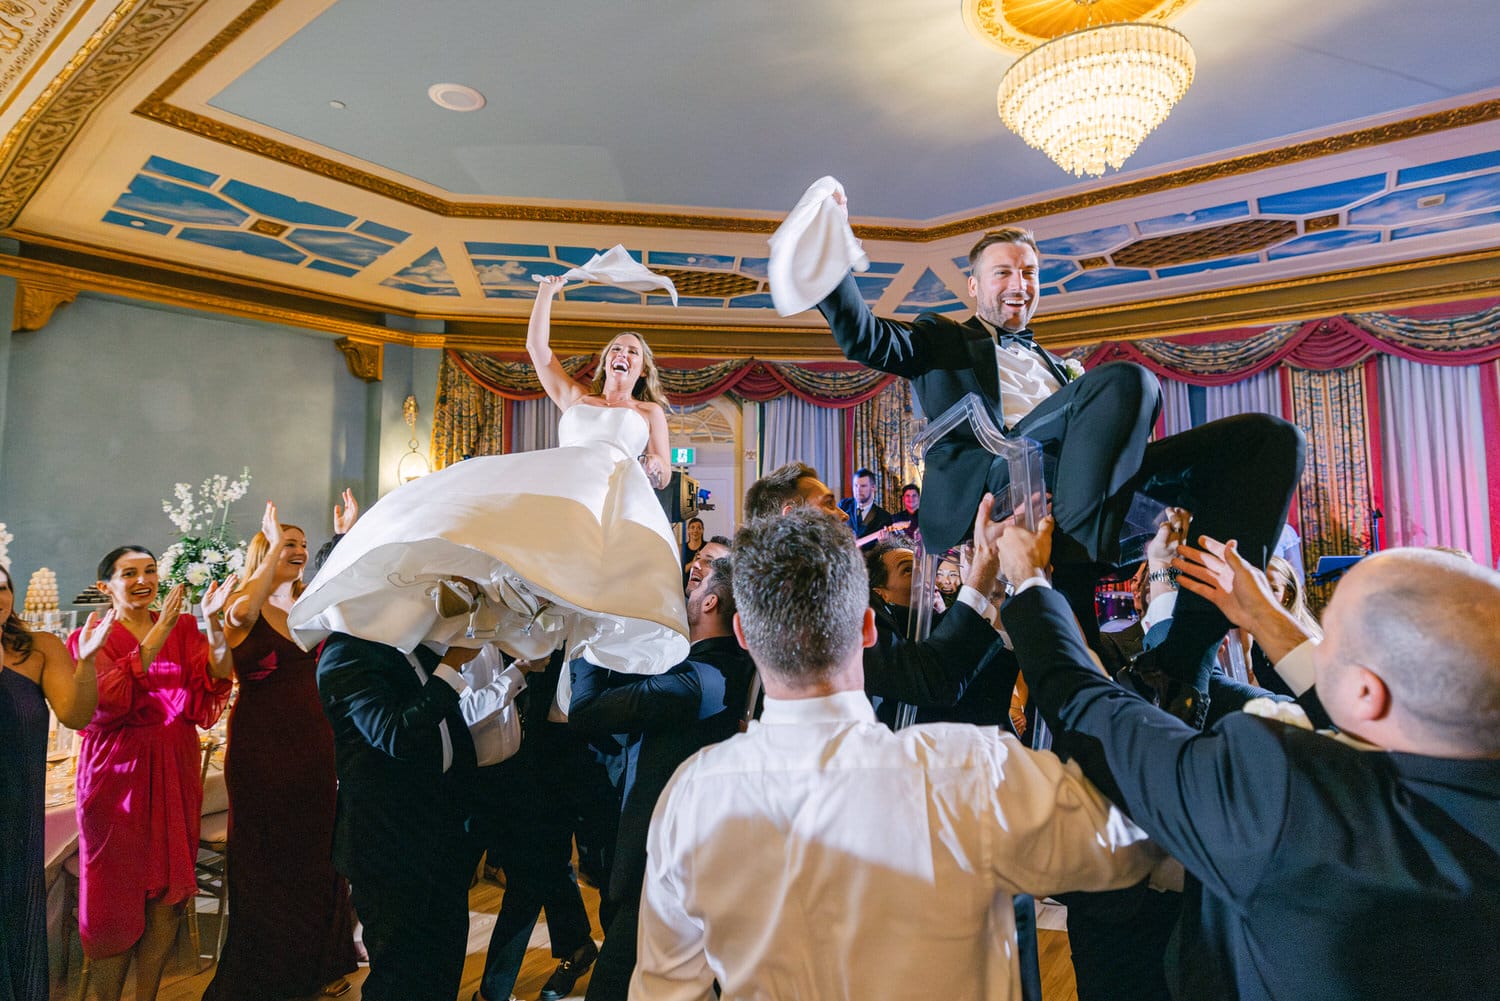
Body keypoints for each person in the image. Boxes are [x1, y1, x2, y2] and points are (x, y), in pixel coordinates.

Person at [632, 507, 1162, 1001]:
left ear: (744, 634)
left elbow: (666, 990)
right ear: (868, 628)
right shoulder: (968, 772)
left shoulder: (691, 796)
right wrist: (1035, 587)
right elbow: (1128, 847)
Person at [811, 208, 1304, 726]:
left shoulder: (1058, 364)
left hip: (1081, 490)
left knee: (1271, 441)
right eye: (1003, 272)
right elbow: (866, 338)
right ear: (975, 287)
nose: (1018, 284)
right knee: (1130, 381)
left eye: (1029, 273)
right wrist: (827, 263)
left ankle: (1183, 666)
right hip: (1001, 481)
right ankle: (1081, 556)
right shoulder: (943, 337)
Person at [995, 517, 1500, 1001]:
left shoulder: (1290, 794)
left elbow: (1092, 706)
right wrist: (1264, 617)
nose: (1317, 648)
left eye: (1332, 643)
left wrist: (1029, 580)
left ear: (1367, 691)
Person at [290, 273, 688, 683]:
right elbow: (537, 349)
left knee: (573, 560)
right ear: (607, 361)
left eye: (633, 352)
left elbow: (661, 469)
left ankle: (541, 616)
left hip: (602, 494)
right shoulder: (575, 396)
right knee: (493, 526)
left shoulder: (648, 412)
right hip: (560, 482)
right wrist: (547, 291)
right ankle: (477, 591)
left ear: (641, 369)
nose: (623, 353)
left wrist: (657, 467)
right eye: (617, 348)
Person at [569, 555, 755, 1000]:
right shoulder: (728, 668)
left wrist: (591, 639)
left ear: (710, 602)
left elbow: (586, 711)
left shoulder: (695, 681)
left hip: (657, 869)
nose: (687, 591)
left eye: (697, 585)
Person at [201, 503, 357, 1001]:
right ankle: (267, 978)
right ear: (266, 552)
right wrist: (270, 549)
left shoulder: (313, 600)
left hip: (317, 748)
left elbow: (356, 591)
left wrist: (348, 536)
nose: (300, 551)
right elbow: (240, 616)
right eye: (288, 544)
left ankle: (317, 963)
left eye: (304, 545)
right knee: (269, 858)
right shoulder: (241, 604)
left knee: (317, 854)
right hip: (262, 751)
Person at [65, 547, 234, 1001]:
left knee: (169, 893)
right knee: (113, 892)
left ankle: (148, 996)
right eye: (129, 573)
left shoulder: (182, 625)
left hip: (175, 763)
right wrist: (157, 631)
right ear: (105, 586)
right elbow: (106, 702)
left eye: (150, 570)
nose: (144, 579)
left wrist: (213, 624)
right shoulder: (90, 636)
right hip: (116, 772)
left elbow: (212, 682)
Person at [0, 566, 111, 1001]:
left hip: (17, 817)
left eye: (3, 587)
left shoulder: (40, 648)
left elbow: (77, 716)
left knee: (15, 918)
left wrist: (86, 662)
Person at [837, 467, 892, 548]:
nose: (858, 490)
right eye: (856, 486)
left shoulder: (884, 517)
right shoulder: (843, 506)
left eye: (863, 486)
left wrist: (883, 543)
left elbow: (885, 551)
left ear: (873, 488)